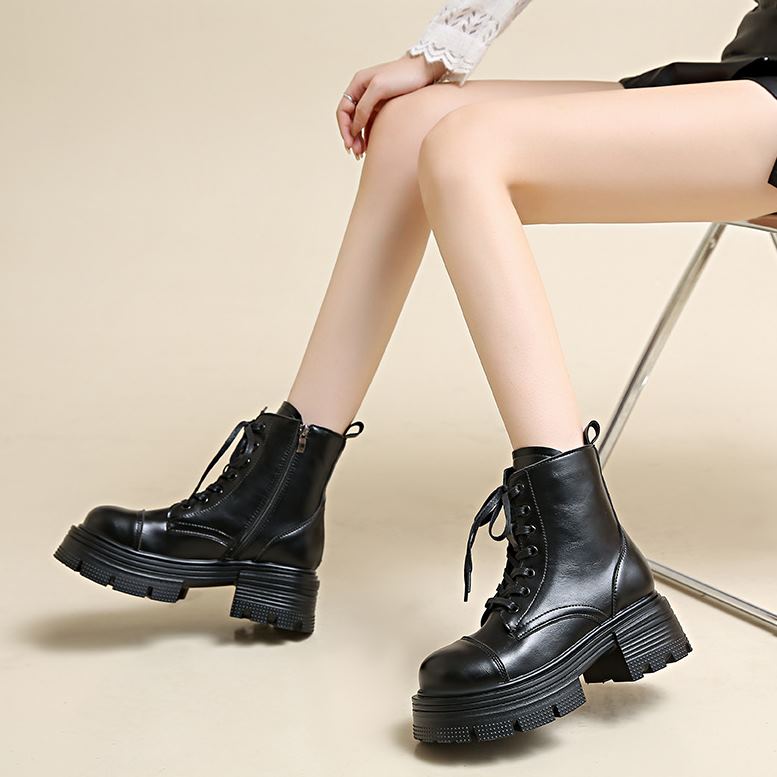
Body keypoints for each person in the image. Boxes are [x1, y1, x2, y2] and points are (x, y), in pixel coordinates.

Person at [54, 1, 777, 744]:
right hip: (751, 77)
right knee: (411, 126)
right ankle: (275, 500)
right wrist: (443, 48)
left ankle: (585, 557)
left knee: (469, 145)